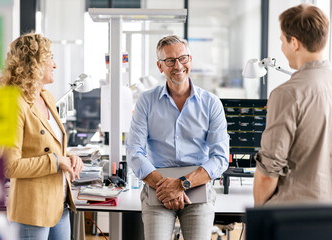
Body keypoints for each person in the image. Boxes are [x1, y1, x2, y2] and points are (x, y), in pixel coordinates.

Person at [126, 35, 229, 240]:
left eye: (183, 58)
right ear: (160, 66)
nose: (178, 65)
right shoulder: (146, 101)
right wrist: (167, 186)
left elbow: (220, 157)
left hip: (197, 188)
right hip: (158, 188)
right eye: (170, 60)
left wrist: (182, 184)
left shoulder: (211, 103)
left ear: (190, 60)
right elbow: (134, 152)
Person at [0, 32, 84, 239]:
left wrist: (69, 157)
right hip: (32, 209)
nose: (55, 65)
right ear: (33, 64)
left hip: (59, 203)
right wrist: (56, 161)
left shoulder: (47, 97)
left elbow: (49, 144)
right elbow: (9, 166)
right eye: (51, 58)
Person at [253, 4, 332, 206]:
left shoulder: (287, 94)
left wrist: (260, 217)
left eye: (282, 40)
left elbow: (268, 173)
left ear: (294, 43)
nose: (282, 47)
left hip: (295, 215)